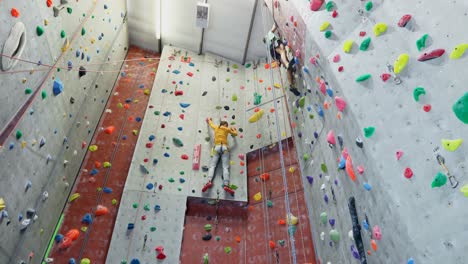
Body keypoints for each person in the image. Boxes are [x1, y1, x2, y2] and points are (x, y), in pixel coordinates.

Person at [263, 22, 301, 96]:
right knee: (282, 51)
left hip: (274, 54)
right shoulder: (269, 35)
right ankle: (287, 64)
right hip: (274, 46)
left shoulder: (268, 45)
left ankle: (291, 86)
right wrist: (275, 22)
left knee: (288, 68)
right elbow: (274, 27)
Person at [202, 118, 238, 195]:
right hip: (225, 148)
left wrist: (209, 120)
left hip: (216, 147)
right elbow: (235, 134)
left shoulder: (216, 127)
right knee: (225, 167)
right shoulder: (227, 129)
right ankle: (226, 185)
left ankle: (209, 181)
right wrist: (234, 129)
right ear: (225, 125)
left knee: (212, 166)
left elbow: (211, 124)